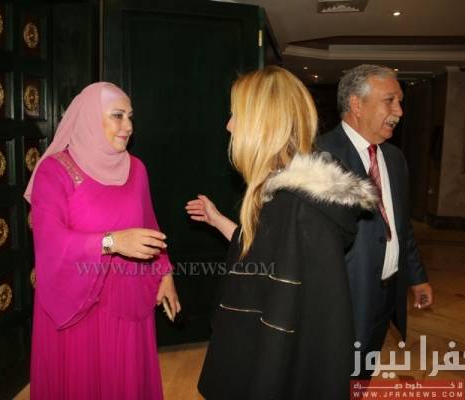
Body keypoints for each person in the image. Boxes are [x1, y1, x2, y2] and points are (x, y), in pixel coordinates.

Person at [187, 66, 378, 399]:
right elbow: (265, 253)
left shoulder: (295, 206)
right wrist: (218, 220)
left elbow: (285, 324)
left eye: (236, 115)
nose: (229, 125)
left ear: (263, 122)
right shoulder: (287, 197)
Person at [24, 82, 180, 399]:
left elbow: (149, 224)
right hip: (77, 304)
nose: (129, 126)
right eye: (118, 116)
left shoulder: (136, 169)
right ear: (90, 117)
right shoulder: (54, 172)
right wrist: (111, 242)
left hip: (129, 299)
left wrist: (165, 274)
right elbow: (50, 240)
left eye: (130, 117)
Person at [315, 64, 433, 378]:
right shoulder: (320, 156)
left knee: (361, 375)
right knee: (332, 379)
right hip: (340, 301)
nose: (399, 111)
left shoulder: (394, 158)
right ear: (357, 104)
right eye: (390, 100)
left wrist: (416, 277)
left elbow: (400, 225)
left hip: (386, 295)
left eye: (400, 102)